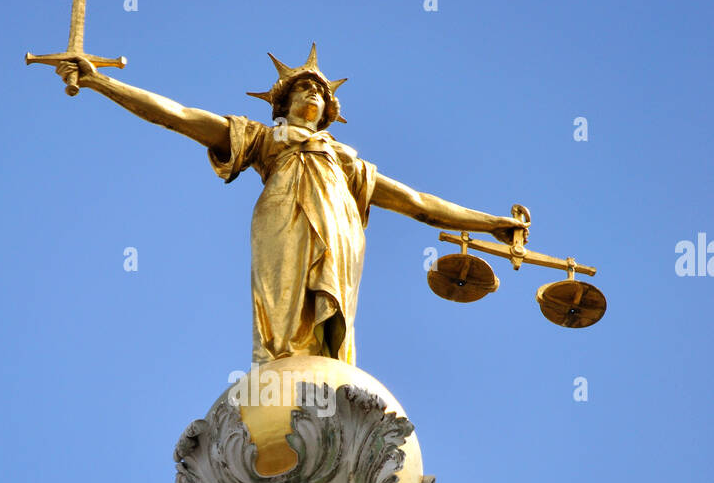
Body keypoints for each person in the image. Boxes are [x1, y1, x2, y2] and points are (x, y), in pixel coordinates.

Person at [55, 45, 526, 365]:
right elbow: (178, 116)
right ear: (281, 103)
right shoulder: (264, 138)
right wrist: (102, 84)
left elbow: (418, 203)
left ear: (330, 110)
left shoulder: (347, 162)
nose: (313, 95)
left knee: (330, 334)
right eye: (303, 88)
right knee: (282, 328)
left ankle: (326, 374)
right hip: (282, 219)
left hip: (340, 234)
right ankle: (281, 370)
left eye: (320, 92)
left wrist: (492, 225)